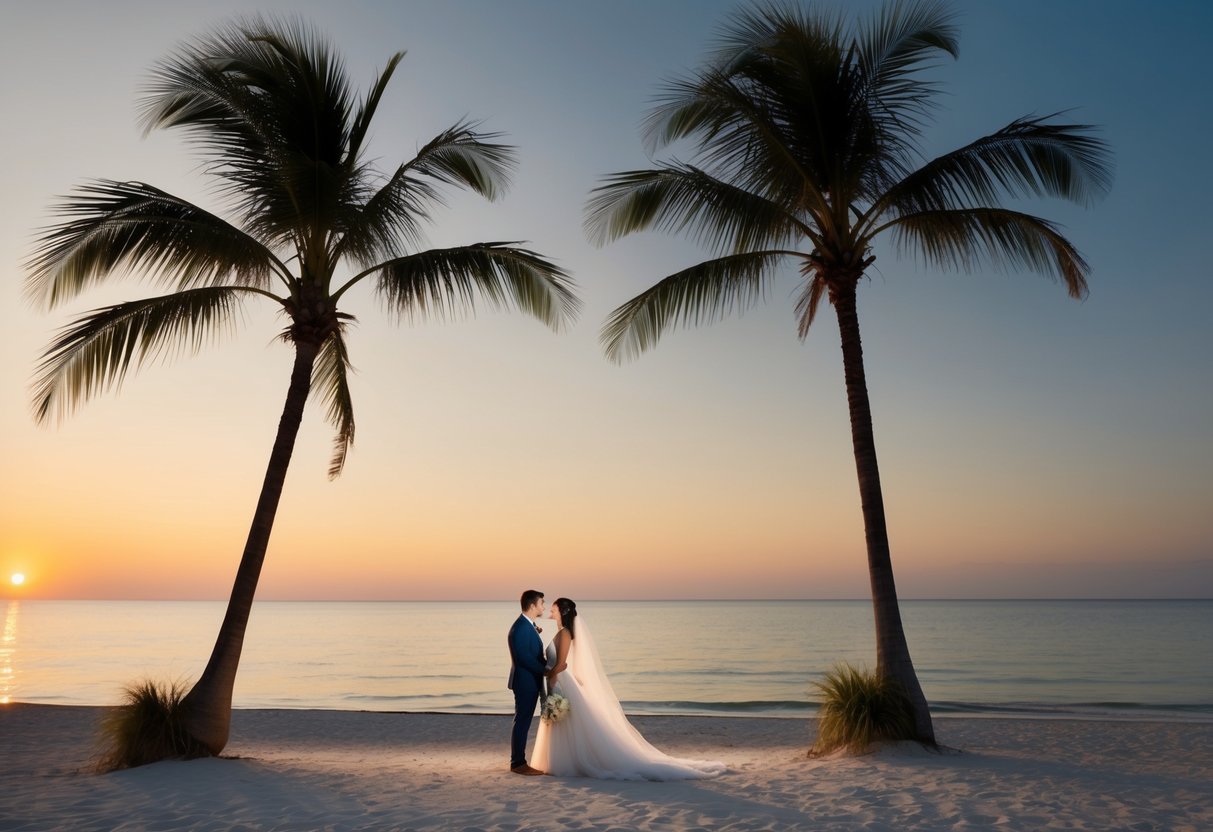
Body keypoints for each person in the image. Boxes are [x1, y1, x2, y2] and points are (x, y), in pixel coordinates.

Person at [531, 597, 726, 780]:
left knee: (561, 718)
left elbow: (562, 663)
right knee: (559, 720)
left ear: (561, 611)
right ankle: (558, 760)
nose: (550, 610)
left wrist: (550, 675)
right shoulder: (561, 631)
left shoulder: (565, 633)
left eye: (554, 608)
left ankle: (563, 762)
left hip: (560, 680)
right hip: (556, 680)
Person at [506, 589, 548, 775]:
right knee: (522, 721)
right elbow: (524, 658)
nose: (544, 606)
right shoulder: (521, 627)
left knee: (523, 720)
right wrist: (548, 670)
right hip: (525, 682)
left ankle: (518, 761)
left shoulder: (527, 625)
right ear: (532, 605)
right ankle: (518, 763)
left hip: (529, 681)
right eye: (542, 603)